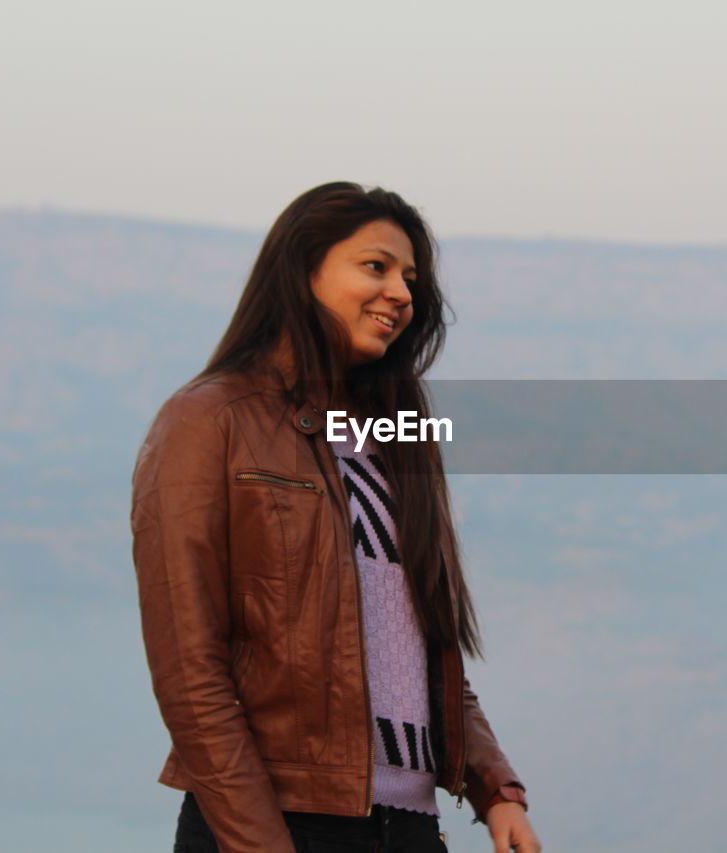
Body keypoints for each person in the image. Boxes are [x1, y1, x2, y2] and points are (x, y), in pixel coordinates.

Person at [131, 182, 542, 853]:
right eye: (375, 266)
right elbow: (188, 664)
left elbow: (422, 642)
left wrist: (494, 786)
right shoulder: (209, 420)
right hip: (277, 823)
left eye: (410, 278)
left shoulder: (399, 435)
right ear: (302, 269)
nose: (402, 294)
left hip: (407, 827)